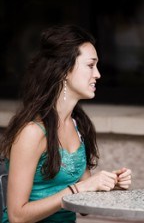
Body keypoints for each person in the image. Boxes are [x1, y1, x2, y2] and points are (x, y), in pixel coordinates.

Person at [0, 24, 132, 223]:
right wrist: (79, 188)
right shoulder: (32, 132)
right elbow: (17, 216)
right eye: (90, 65)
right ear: (64, 71)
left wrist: (108, 184)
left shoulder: (79, 124)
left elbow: (84, 205)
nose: (98, 74)